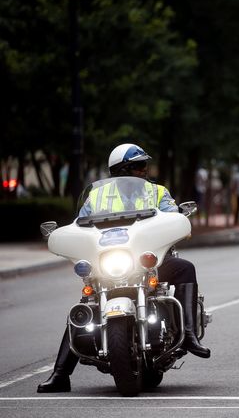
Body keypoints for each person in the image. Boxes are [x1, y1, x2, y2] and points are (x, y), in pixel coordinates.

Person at [37, 144, 210, 394]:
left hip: (149, 262)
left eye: (144, 166)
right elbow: (79, 222)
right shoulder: (96, 197)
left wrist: (178, 222)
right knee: (86, 304)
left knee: (185, 268)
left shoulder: (157, 191)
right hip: (110, 261)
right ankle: (61, 374)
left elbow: (173, 214)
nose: (145, 170)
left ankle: (190, 335)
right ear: (122, 170)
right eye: (139, 166)